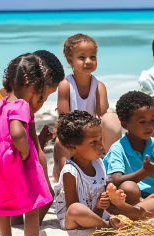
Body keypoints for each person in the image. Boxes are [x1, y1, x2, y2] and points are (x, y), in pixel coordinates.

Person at [1, 51, 64, 227]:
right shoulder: (22, 105)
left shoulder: (6, 98)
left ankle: (15, 225)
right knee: (43, 195)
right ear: (34, 85)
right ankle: (27, 226)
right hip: (12, 161)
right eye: (46, 95)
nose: (44, 102)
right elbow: (17, 134)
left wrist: (39, 142)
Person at [53, 34, 122, 182]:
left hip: (94, 134)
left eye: (93, 57)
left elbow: (102, 117)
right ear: (70, 60)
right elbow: (64, 118)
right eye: (82, 57)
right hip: (73, 133)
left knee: (111, 118)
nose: (88, 61)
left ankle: (110, 168)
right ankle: (66, 177)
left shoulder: (99, 86)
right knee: (60, 141)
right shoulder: (66, 85)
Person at [54, 111, 125, 230]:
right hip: (74, 221)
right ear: (72, 147)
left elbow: (101, 200)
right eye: (93, 142)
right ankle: (105, 225)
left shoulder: (98, 163)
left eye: (100, 139)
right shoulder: (70, 172)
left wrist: (111, 199)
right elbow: (73, 209)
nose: (101, 146)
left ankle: (104, 222)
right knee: (76, 209)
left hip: (97, 214)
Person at [104, 91, 154, 213]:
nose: (150, 126)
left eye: (153, 120)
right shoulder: (118, 148)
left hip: (152, 197)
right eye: (142, 122)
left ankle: (129, 213)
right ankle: (135, 212)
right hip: (129, 198)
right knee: (129, 187)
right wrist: (145, 171)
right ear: (125, 125)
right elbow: (115, 180)